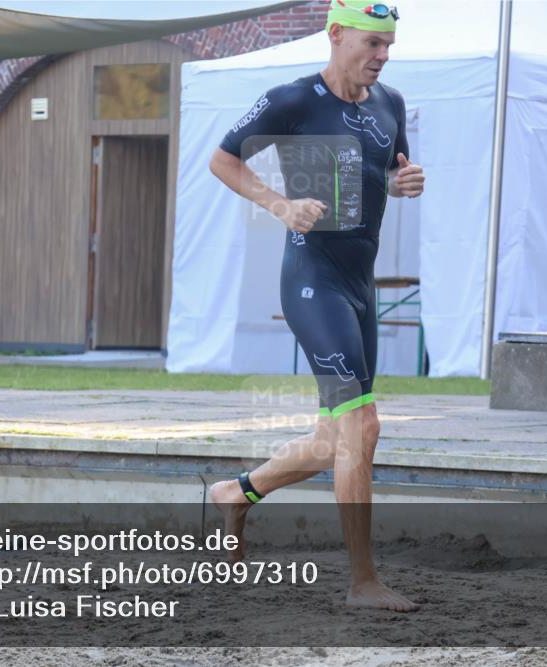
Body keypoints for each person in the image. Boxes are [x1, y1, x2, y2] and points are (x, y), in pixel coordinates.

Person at [207, 0, 425, 612]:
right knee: (364, 425)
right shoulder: (293, 99)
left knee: (335, 440)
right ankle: (363, 582)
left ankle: (237, 492)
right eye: (371, 43)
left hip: (360, 286)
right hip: (312, 281)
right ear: (335, 35)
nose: (382, 56)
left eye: (388, 45)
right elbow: (222, 159)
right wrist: (280, 205)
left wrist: (405, 182)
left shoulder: (390, 104)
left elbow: (392, 171)